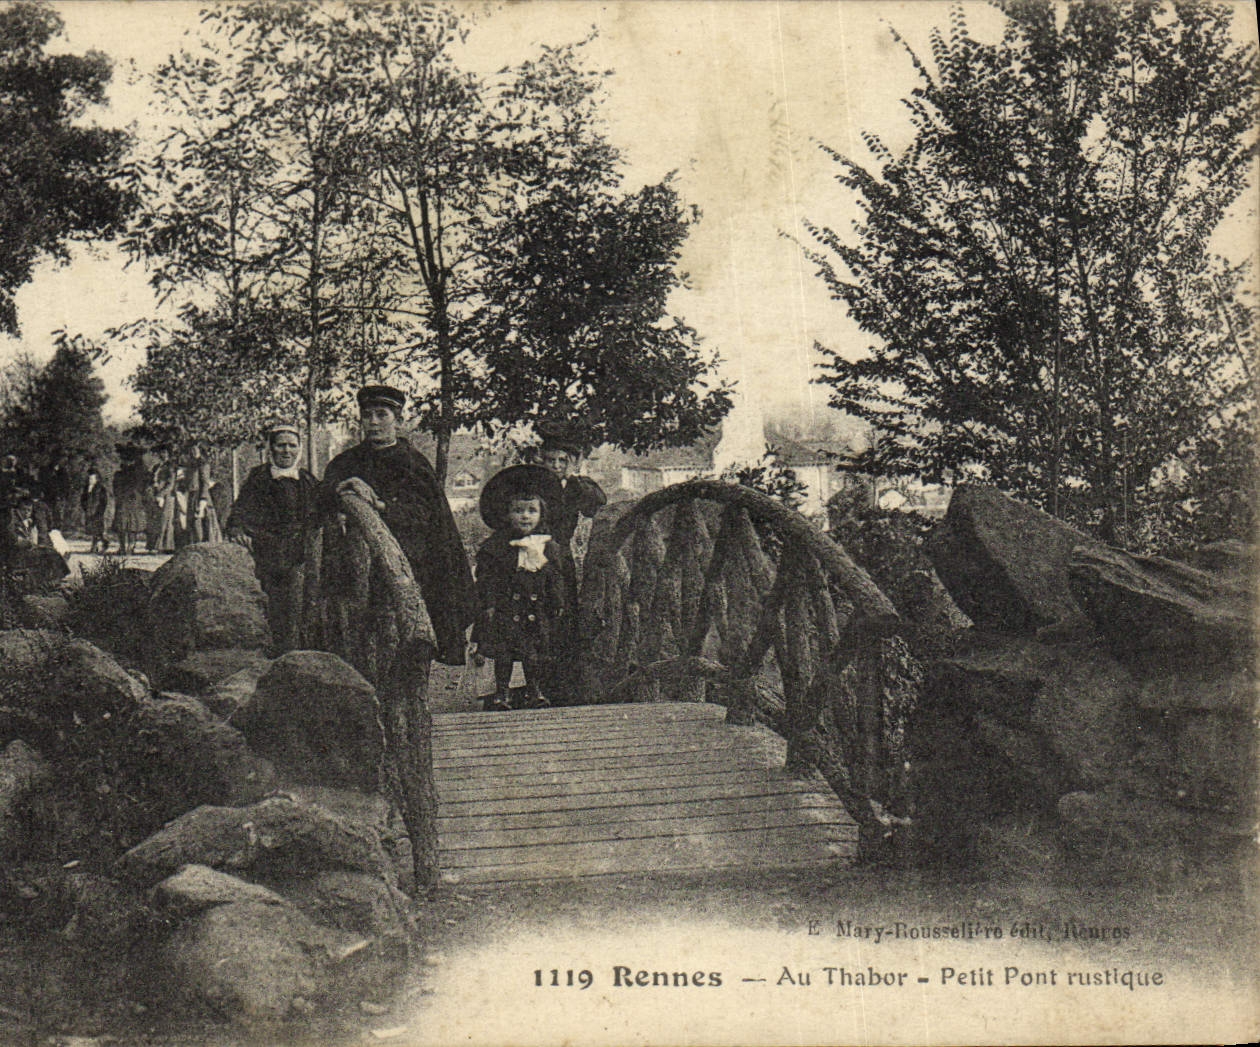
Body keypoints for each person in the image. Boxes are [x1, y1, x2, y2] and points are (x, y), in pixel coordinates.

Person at [321, 385, 475, 672]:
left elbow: (423, 515)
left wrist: (379, 505)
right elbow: (322, 498)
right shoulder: (346, 462)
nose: (374, 422)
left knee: (402, 643)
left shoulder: (412, 463)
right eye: (367, 415)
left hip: (410, 563)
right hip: (354, 566)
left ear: (399, 420)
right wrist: (344, 487)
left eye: (382, 415)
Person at [471, 465, 569, 710]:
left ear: (541, 514)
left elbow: (556, 577)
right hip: (506, 609)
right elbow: (486, 579)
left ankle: (534, 691)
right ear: (507, 514)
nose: (525, 516)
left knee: (532, 652)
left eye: (532, 511)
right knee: (503, 652)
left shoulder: (548, 546)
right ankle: (501, 693)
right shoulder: (495, 547)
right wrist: (489, 604)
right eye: (518, 511)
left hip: (535, 608)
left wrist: (556, 600)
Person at [226, 422, 318, 653]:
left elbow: (322, 510)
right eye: (281, 445)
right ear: (271, 448)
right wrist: (238, 529)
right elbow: (240, 510)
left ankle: (295, 652)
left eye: (292, 446)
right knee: (272, 605)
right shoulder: (259, 478)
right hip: (267, 551)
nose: (286, 451)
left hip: (299, 552)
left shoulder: (307, 480)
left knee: (299, 607)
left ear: (299, 449)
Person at [112, 446, 150, 555]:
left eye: (128, 460)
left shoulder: (138, 473)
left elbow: (141, 486)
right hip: (123, 500)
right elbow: (115, 488)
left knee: (131, 525)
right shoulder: (119, 474)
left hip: (132, 500)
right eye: (124, 459)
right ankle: (123, 547)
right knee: (122, 525)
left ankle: (130, 546)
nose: (126, 462)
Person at [80, 464, 109, 553]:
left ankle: (97, 546)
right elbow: (83, 499)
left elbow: (104, 501)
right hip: (89, 511)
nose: (90, 480)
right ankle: (96, 545)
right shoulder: (86, 488)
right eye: (89, 479)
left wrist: (100, 511)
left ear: (97, 479)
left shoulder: (101, 489)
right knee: (92, 530)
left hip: (97, 512)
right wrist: (85, 507)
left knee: (97, 530)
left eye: (92, 479)